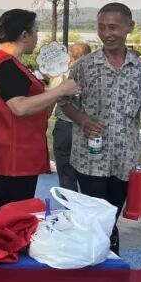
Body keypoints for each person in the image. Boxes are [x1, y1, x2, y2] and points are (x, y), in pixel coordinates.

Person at [60, 3, 141, 253]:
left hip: (124, 159)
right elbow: (64, 102)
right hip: (90, 158)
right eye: (101, 27)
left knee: (112, 214)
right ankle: (101, 260)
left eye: (113, 27)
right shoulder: (84, 66)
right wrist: (82, 119)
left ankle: (107, 256)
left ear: (129, 27)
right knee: (96, 217)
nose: (107, 34)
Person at [0, 10, 79, 206]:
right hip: (12, 157)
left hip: (6, 152)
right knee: (15, 212)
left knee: (8, 209)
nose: (37, 38)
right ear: (24, 35)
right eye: (36, 32)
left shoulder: (5, 62)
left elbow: (31, 104)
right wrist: (60, 90)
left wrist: (55, 92)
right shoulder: (7, 66)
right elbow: (19, 107)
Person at [49, 42, 91, 192]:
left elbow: (50, 102)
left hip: (64, 128)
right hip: (88, 129)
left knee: (66, 173)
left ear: (70, 57)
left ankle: (69, 202)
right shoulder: (95, 76)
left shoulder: (60, 76)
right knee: (89, 174)